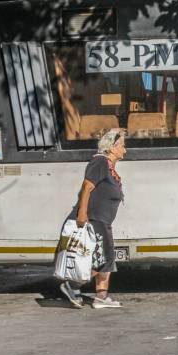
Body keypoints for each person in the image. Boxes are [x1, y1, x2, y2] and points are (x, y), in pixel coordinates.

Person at [60, 130, 126, 309]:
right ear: (112, 148)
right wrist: (82, 213)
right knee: (102, 259)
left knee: (107, 258)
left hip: (103, 221)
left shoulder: (108, 166)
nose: (125, 151)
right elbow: (87, 187)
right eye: (123, 147)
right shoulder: (100, 161)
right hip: (94, 220)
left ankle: (101, 297)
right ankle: (72, 286)